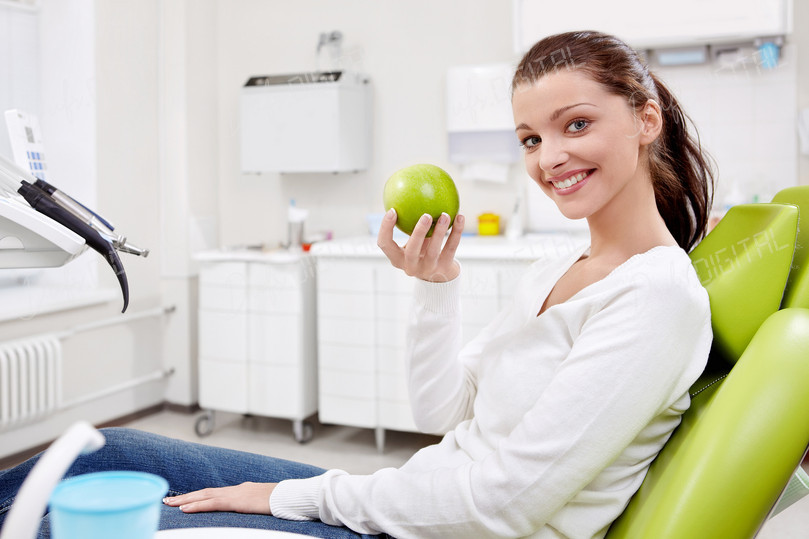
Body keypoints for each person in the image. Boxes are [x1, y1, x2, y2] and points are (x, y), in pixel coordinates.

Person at [0, 30, 714, 538]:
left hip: (439, 526)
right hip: (412, 496)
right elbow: (444, 413)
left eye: (576, 124)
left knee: (88, 518)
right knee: (107, 450)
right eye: (530, 138)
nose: (549, 157)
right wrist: (435, 287)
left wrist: (295, 495)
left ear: (644, 118)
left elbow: (505, 506)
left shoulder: (654, 297)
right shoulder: (559, 267)